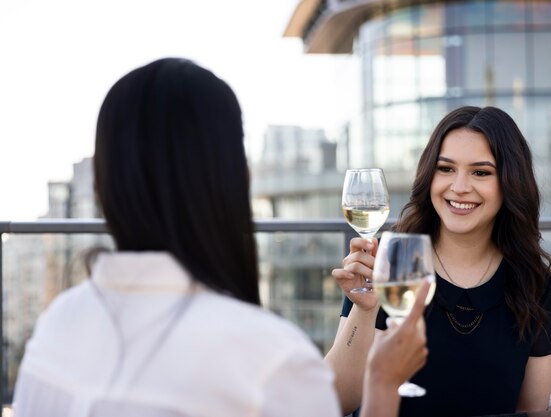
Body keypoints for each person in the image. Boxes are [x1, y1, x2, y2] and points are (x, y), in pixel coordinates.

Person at [11, 57, 431, 417]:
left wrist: (363, 311)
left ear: (105, 183)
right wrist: (382, 384)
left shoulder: (56, 326)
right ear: (236, 179)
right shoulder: (264, 356)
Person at [326, 106, 551, 417]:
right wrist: (364, 309)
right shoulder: (391, 259)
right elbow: (334, 401)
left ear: (509, 182)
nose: (459, 186)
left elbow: (531, 410)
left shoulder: (533, 282)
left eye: (481, 172)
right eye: (446, 169)